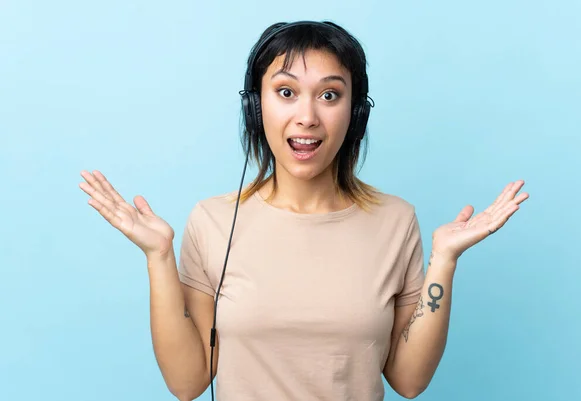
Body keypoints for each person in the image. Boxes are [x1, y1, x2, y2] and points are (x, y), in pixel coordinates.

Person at [78, 20, 529, 401]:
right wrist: (158, 256)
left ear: (355, 113)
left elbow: (409, 381)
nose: (308, 116)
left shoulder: (396, 220)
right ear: (256, 108)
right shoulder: (212, 221)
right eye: (286, 92)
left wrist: (445, 262)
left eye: (329, 95)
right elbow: (188, 382)